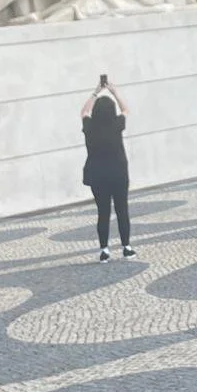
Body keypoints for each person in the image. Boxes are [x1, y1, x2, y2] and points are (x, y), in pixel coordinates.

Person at [82, 76, 134, 262]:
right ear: (112, 111)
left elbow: (84, 111)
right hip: (118, 174)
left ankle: (104, 250)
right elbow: (126, 109)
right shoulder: (116, 124)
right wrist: (114, 92)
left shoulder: (89, 127)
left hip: (98, 176)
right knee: (122, 210)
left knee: (103, 213)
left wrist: (96, 92)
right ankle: (126, 247)